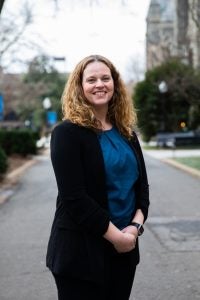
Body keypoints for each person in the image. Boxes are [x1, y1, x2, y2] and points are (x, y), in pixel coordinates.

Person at [46, 54, 149, 300]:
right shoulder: (66, 134)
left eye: (106, 78)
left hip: (125, 249)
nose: (99, 84)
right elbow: (75, 198)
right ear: (80, 87)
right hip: (81, 253)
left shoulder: (127, 134)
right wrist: (117, 238)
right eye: (91, 79)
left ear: (115, 84)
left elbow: (141, 188)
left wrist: (134, 229)